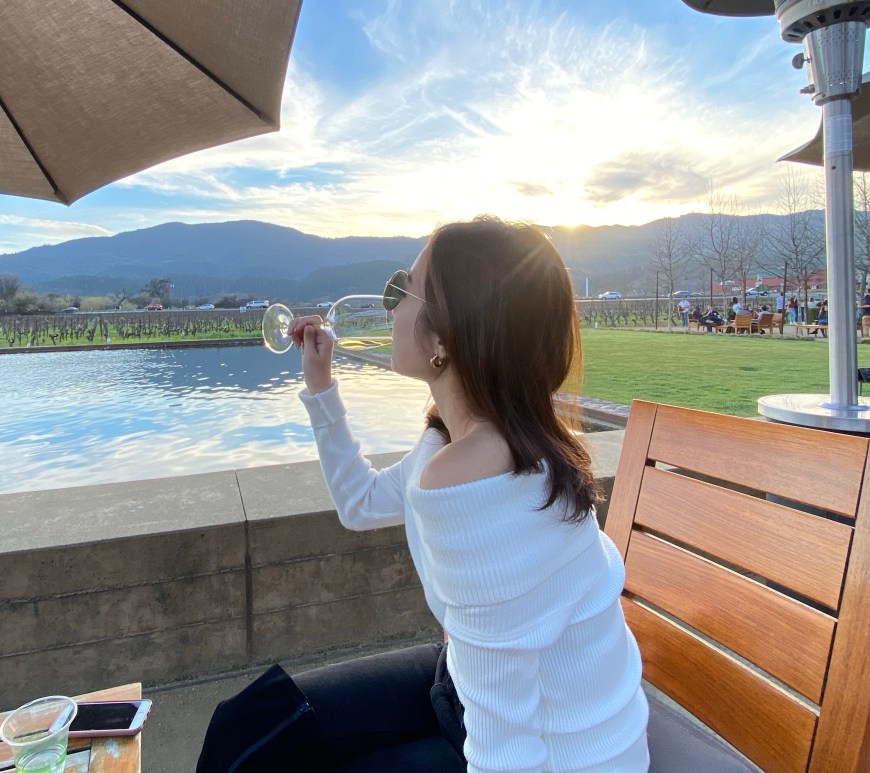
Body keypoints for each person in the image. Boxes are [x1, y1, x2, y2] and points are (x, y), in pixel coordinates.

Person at [197, 217, 650, 772]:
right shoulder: (461, 440)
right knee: (248, 724)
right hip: (464, 684)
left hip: (562, 751)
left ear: (442, 337)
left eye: (400, 289)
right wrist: (321, 386)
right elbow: (361, 503)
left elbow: (508, 750)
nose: (388, 306)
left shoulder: (475, 478)